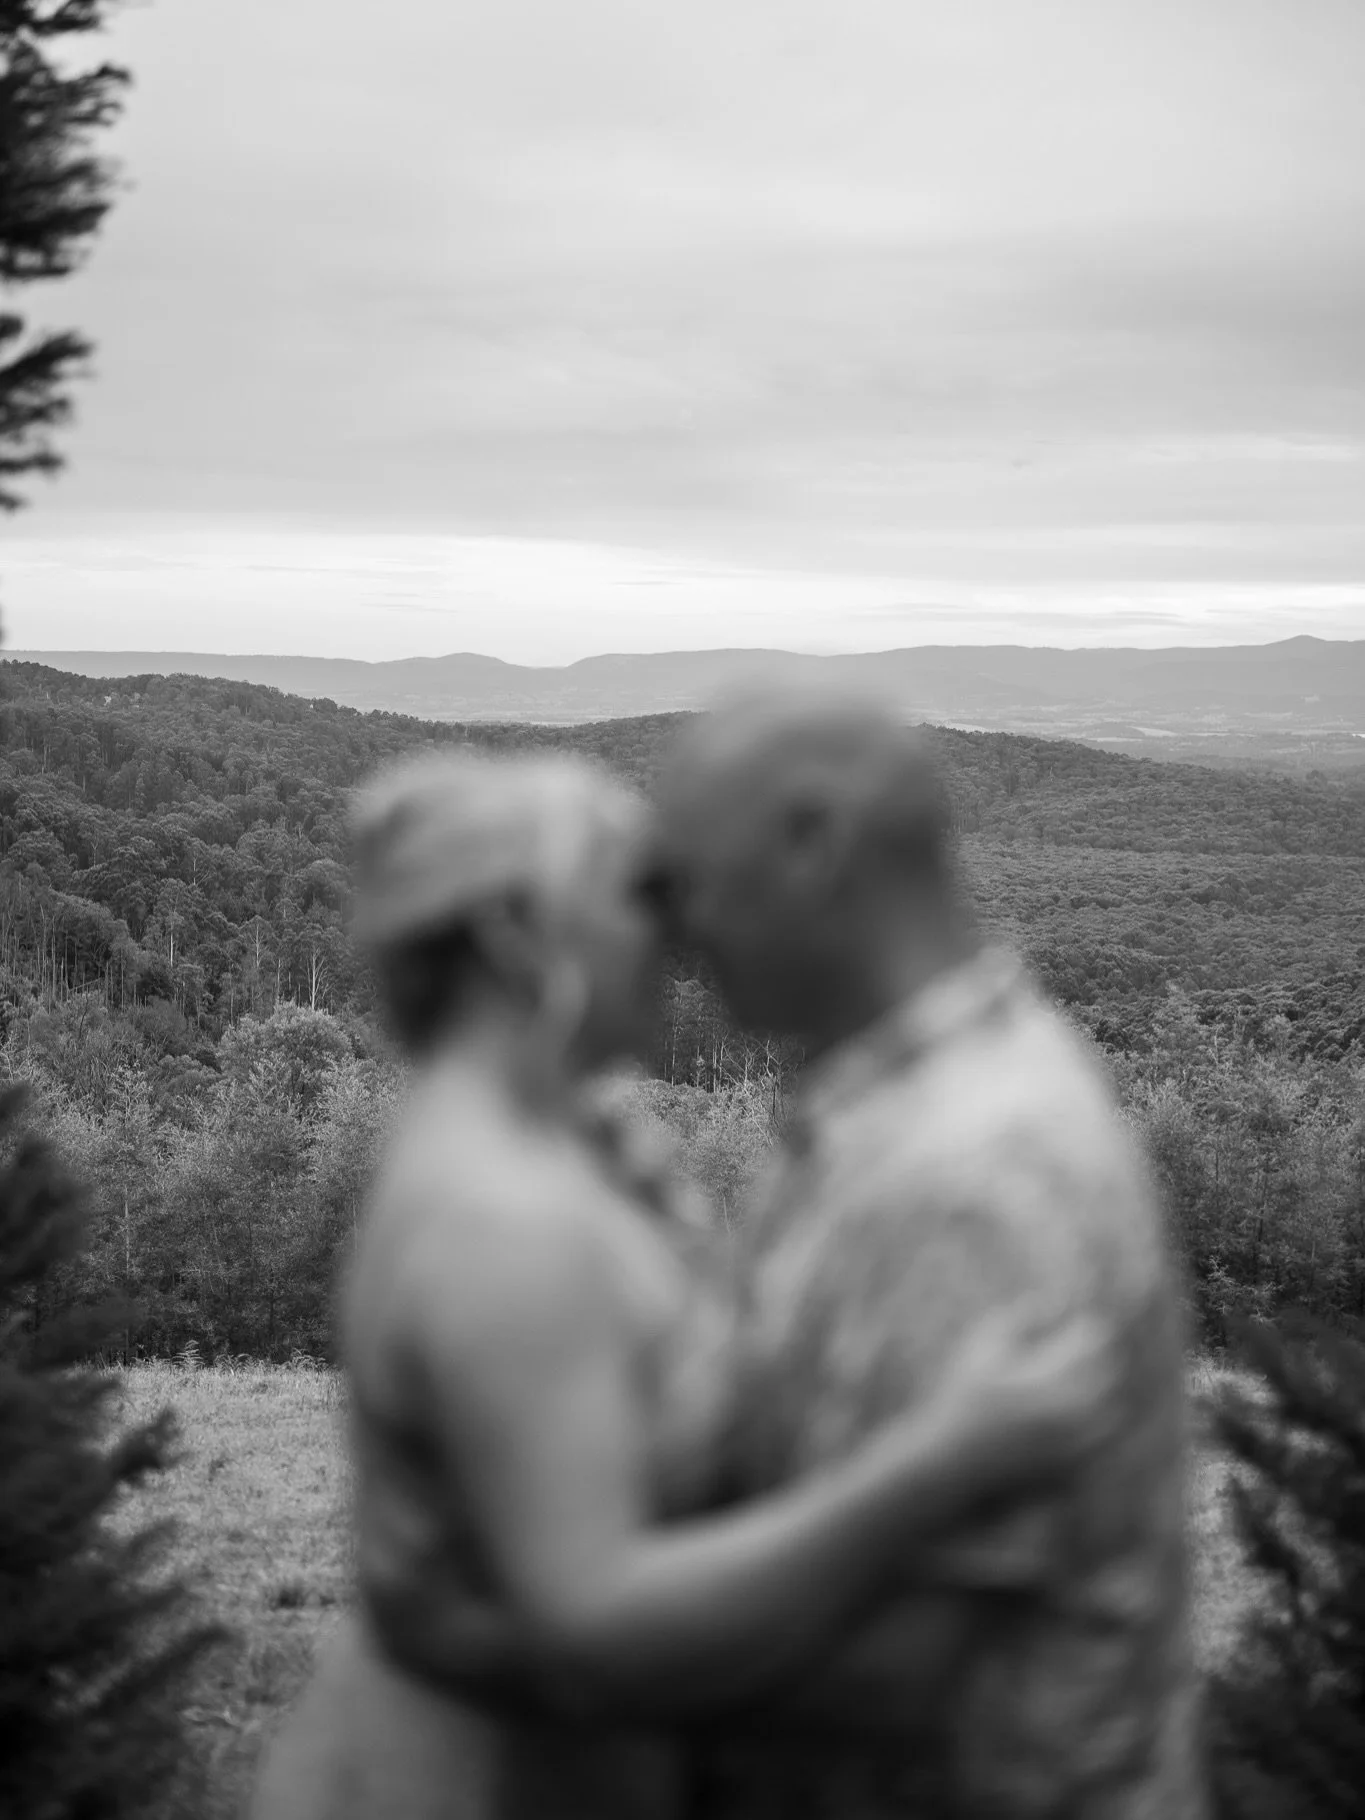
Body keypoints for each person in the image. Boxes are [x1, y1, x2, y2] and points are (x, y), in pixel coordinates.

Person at [249, 747, 1113, 1820]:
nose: (682, 929)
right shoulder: (507, 1222)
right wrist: (935, 1463)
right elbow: (598, 1625)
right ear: (516, 932)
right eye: (640, 893)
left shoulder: (542, 1149)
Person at [643, 682, 1211, 1819]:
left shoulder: (966, 1175)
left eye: (686, 877)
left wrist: (542, 1634)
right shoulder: (924, 1097)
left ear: (814, 844)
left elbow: (899, 1661)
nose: (676, 928)